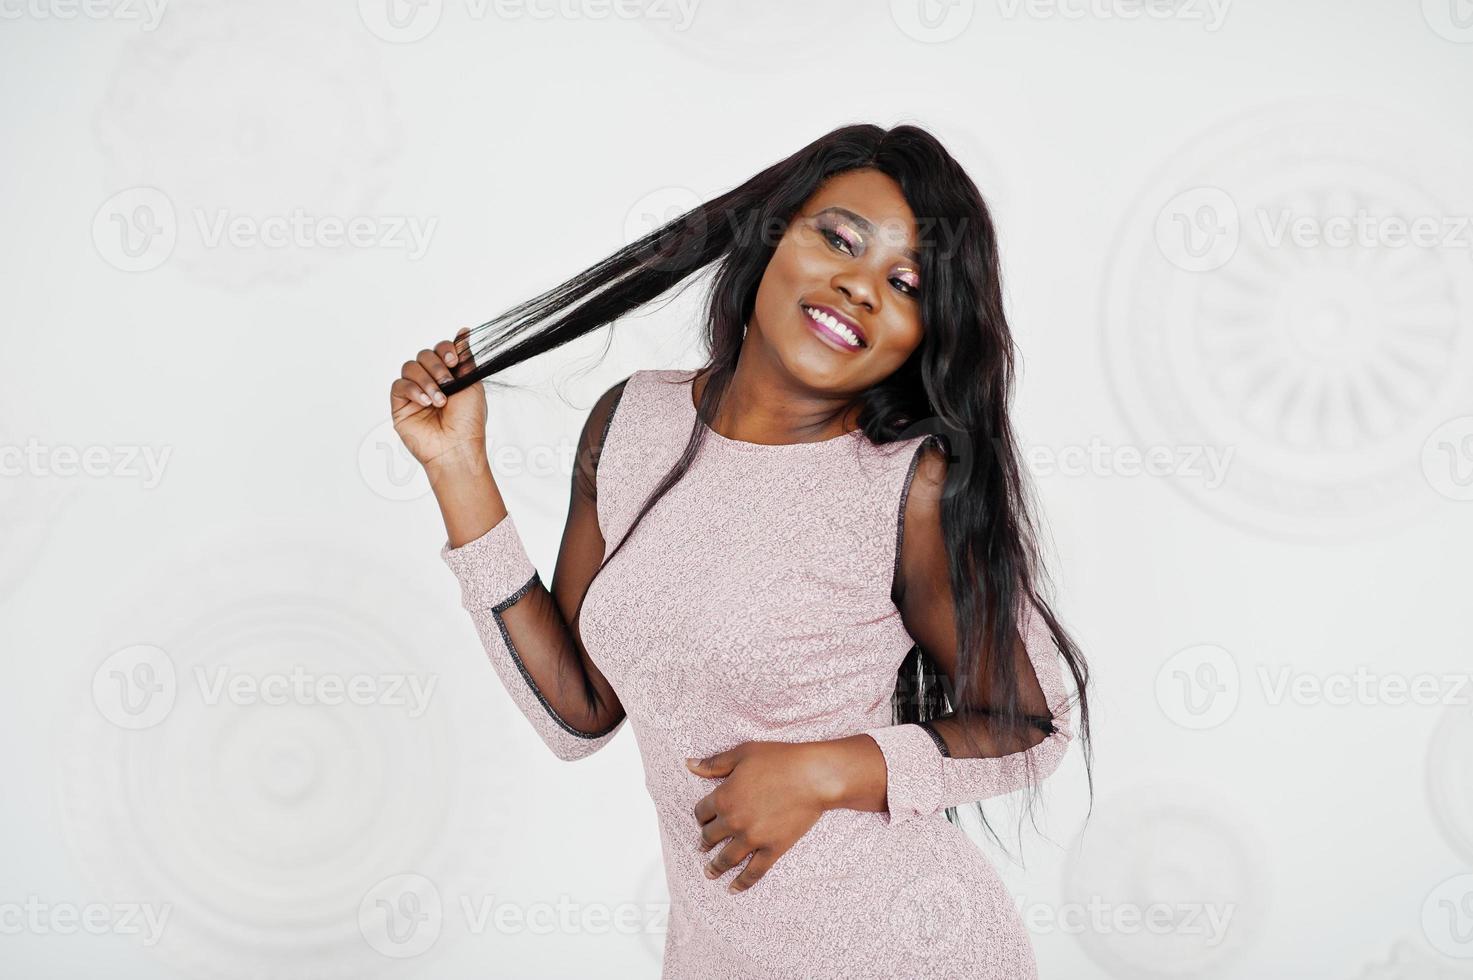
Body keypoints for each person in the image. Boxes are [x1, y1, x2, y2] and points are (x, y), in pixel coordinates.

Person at [389, 123, 1093, 979]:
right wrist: (460, 472)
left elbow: (1035, 723)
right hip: (718, 954)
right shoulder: (630, 423)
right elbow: (577, 713)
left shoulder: (911, 487)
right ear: (770, 239)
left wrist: (829, 771)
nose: (858, 287)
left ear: (924, 332)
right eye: (838, 239)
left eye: (904, 284)